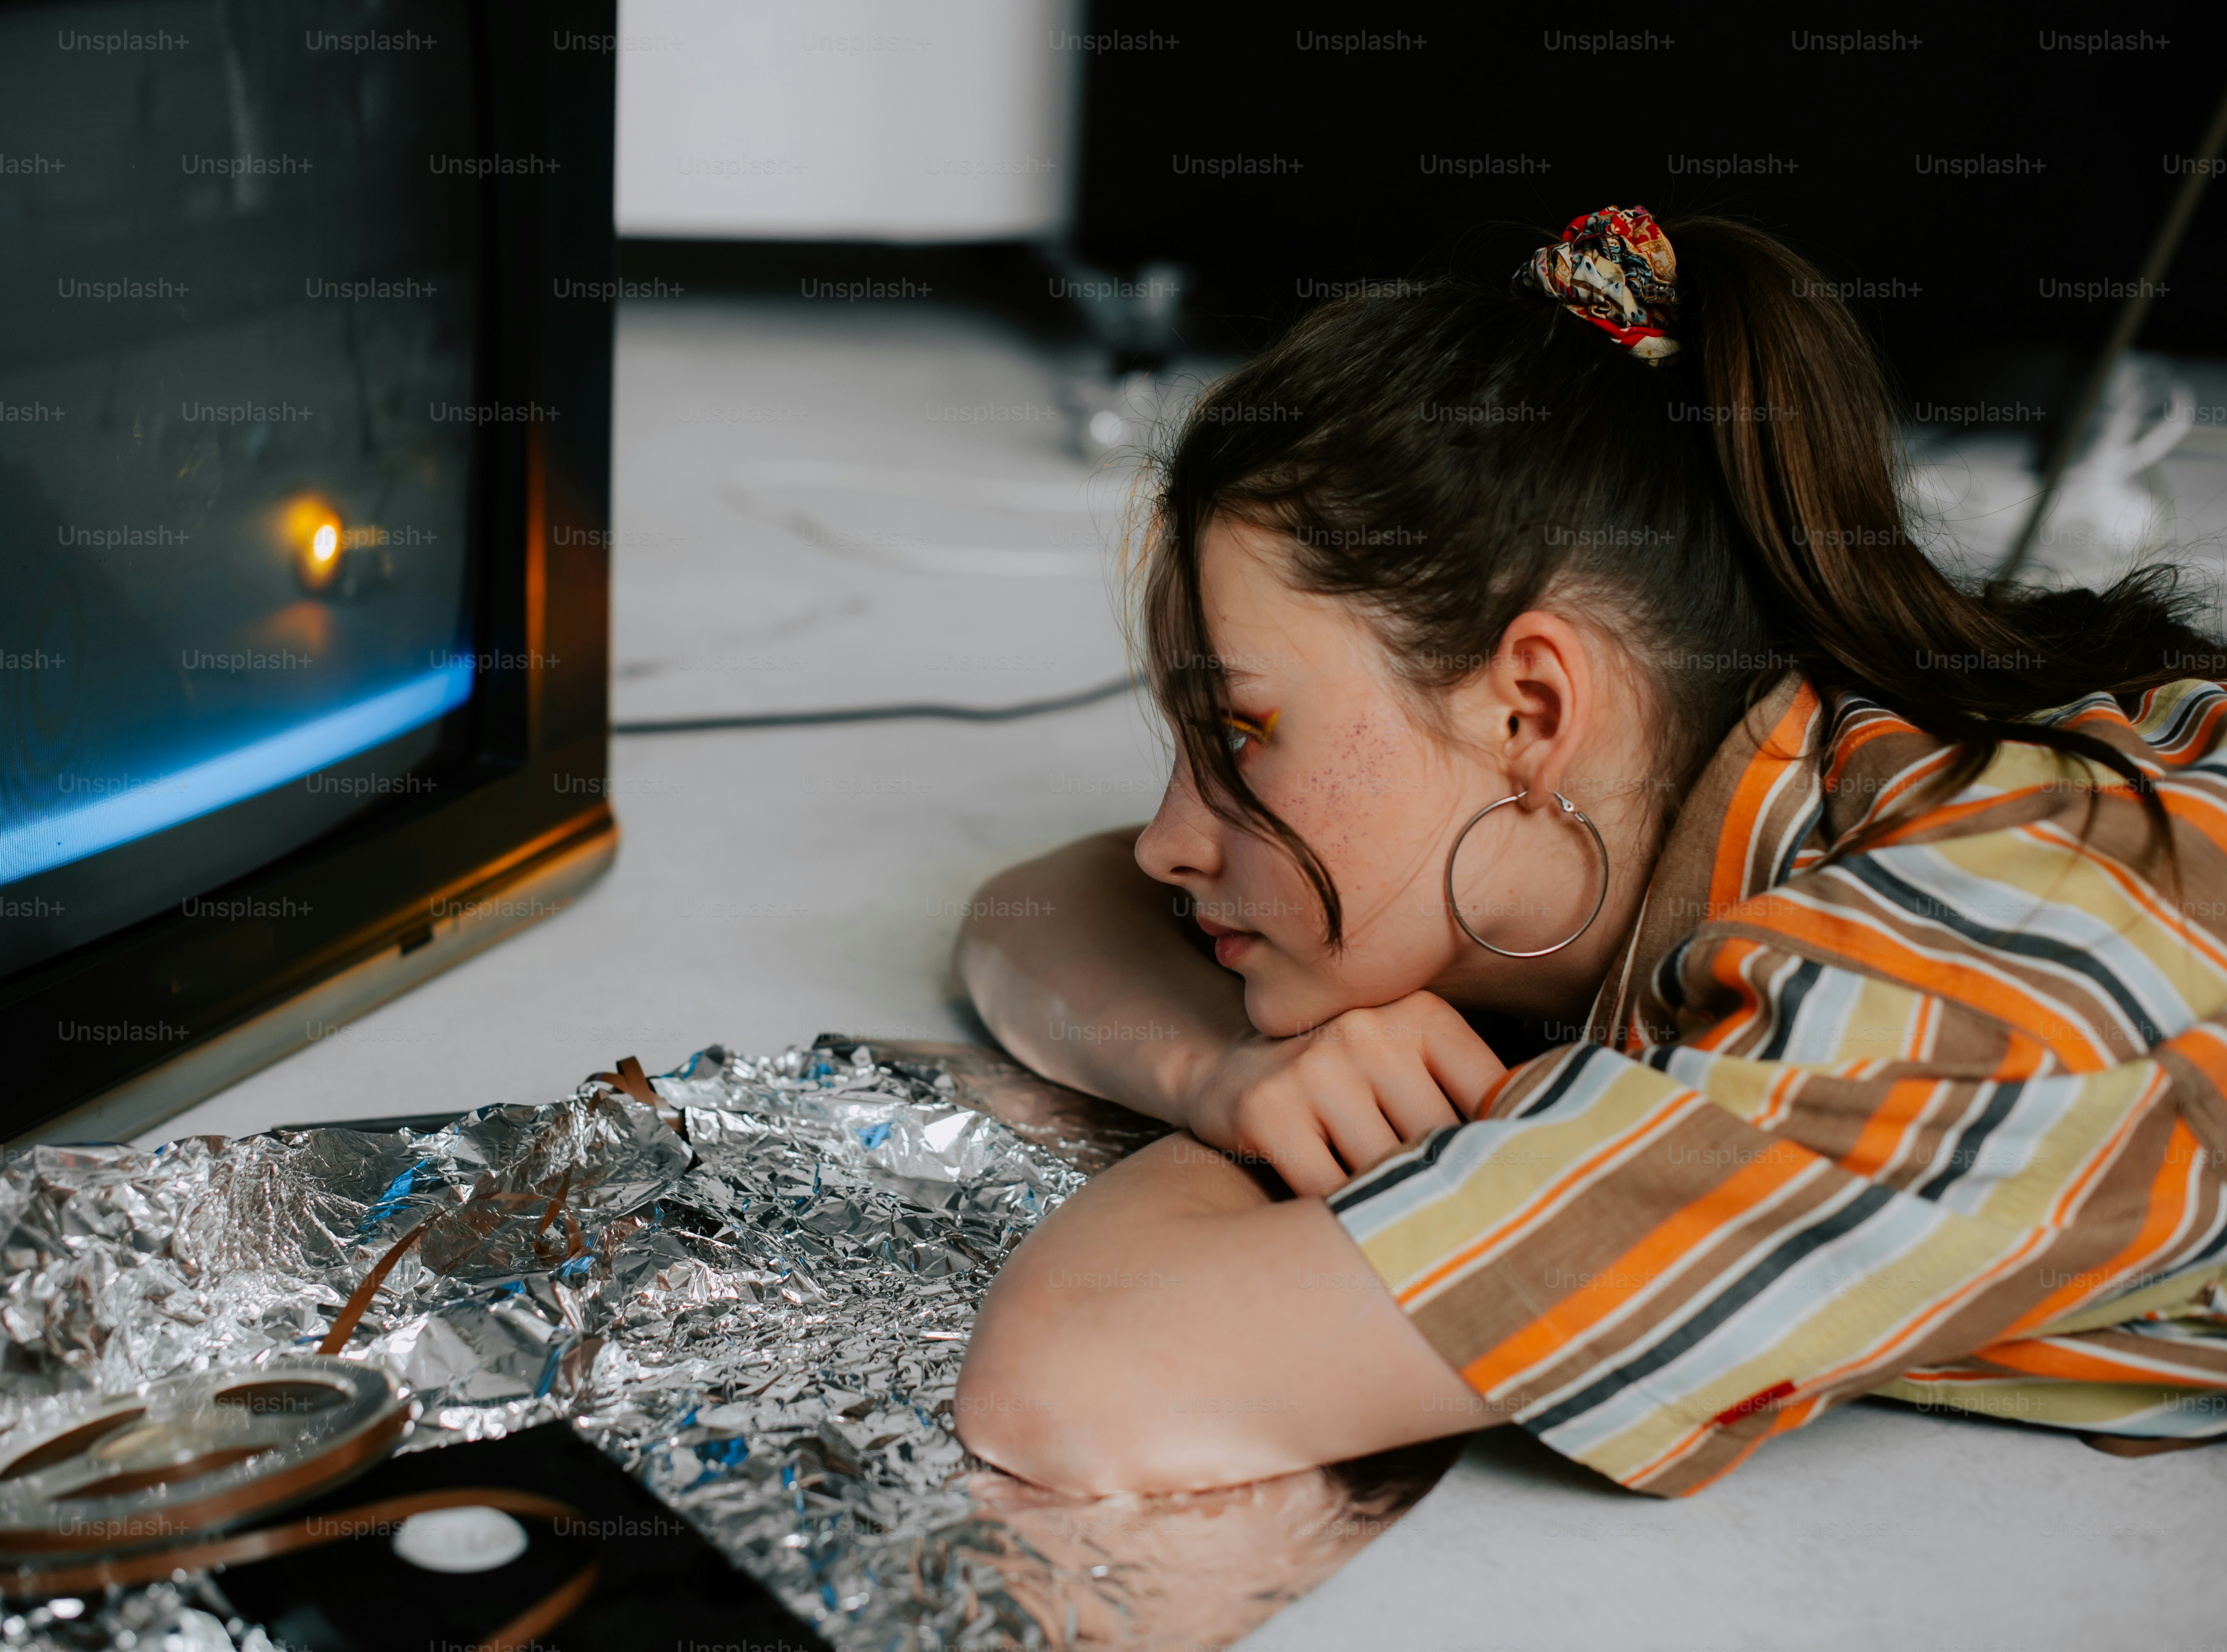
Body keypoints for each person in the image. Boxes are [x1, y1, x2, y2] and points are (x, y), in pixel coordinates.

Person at [949, 207, 2227, 1499]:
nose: (1174, 842)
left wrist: (1266, 1139)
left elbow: (1078, 1382)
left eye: (1240, 733)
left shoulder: (1961, 995)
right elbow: (1037, 905)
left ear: (1532, 715)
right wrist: (1232, 1069)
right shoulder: (1718, 781)